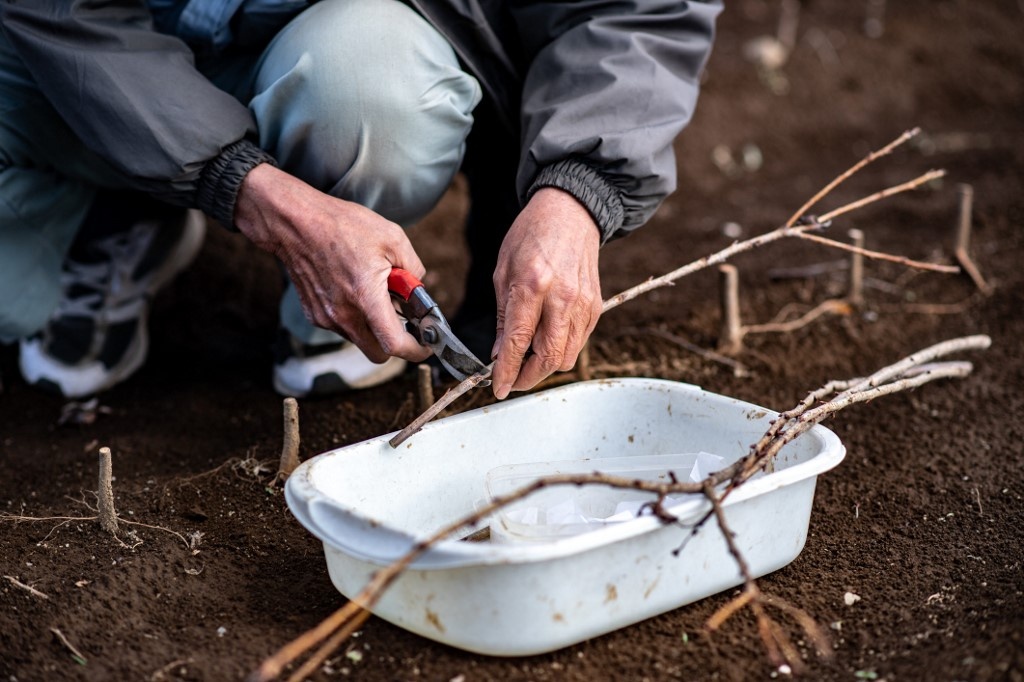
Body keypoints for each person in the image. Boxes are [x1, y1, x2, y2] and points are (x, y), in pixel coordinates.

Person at [0, 0, 720, 401]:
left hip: (300, 40)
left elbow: (640, 11)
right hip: (56, 57)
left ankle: (332, 316)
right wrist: (239, 184)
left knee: (372, 91)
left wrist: (575, 192)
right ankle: (103, 218)